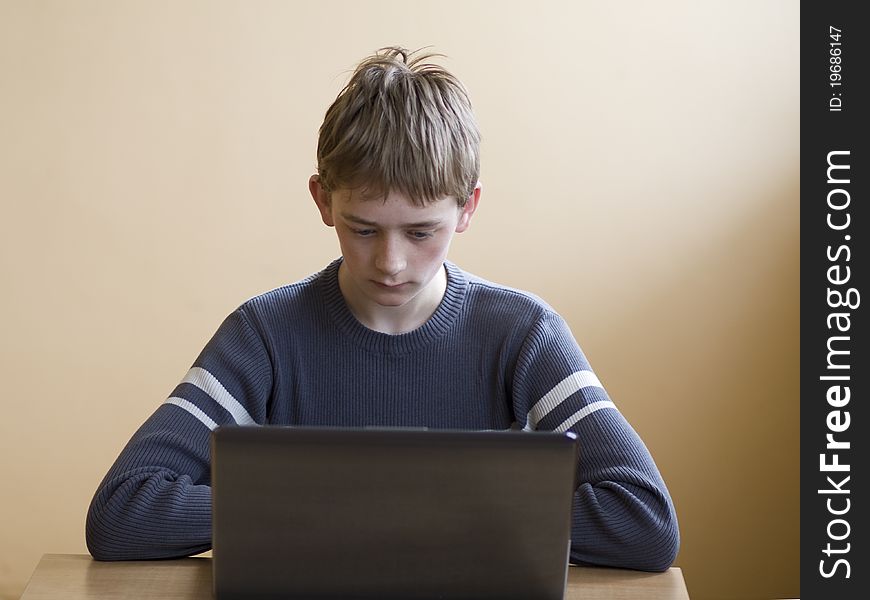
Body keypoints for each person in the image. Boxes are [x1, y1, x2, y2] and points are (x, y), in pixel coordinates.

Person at [85, 46, 679, 572]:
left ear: (467, 209)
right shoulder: (264, 335)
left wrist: (358, 509)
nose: (390, 263)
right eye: (363, 229)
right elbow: (122, 511)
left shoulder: (523, 334)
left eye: (422, 233)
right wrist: (399, 508)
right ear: (323, 199)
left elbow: (644, 523)